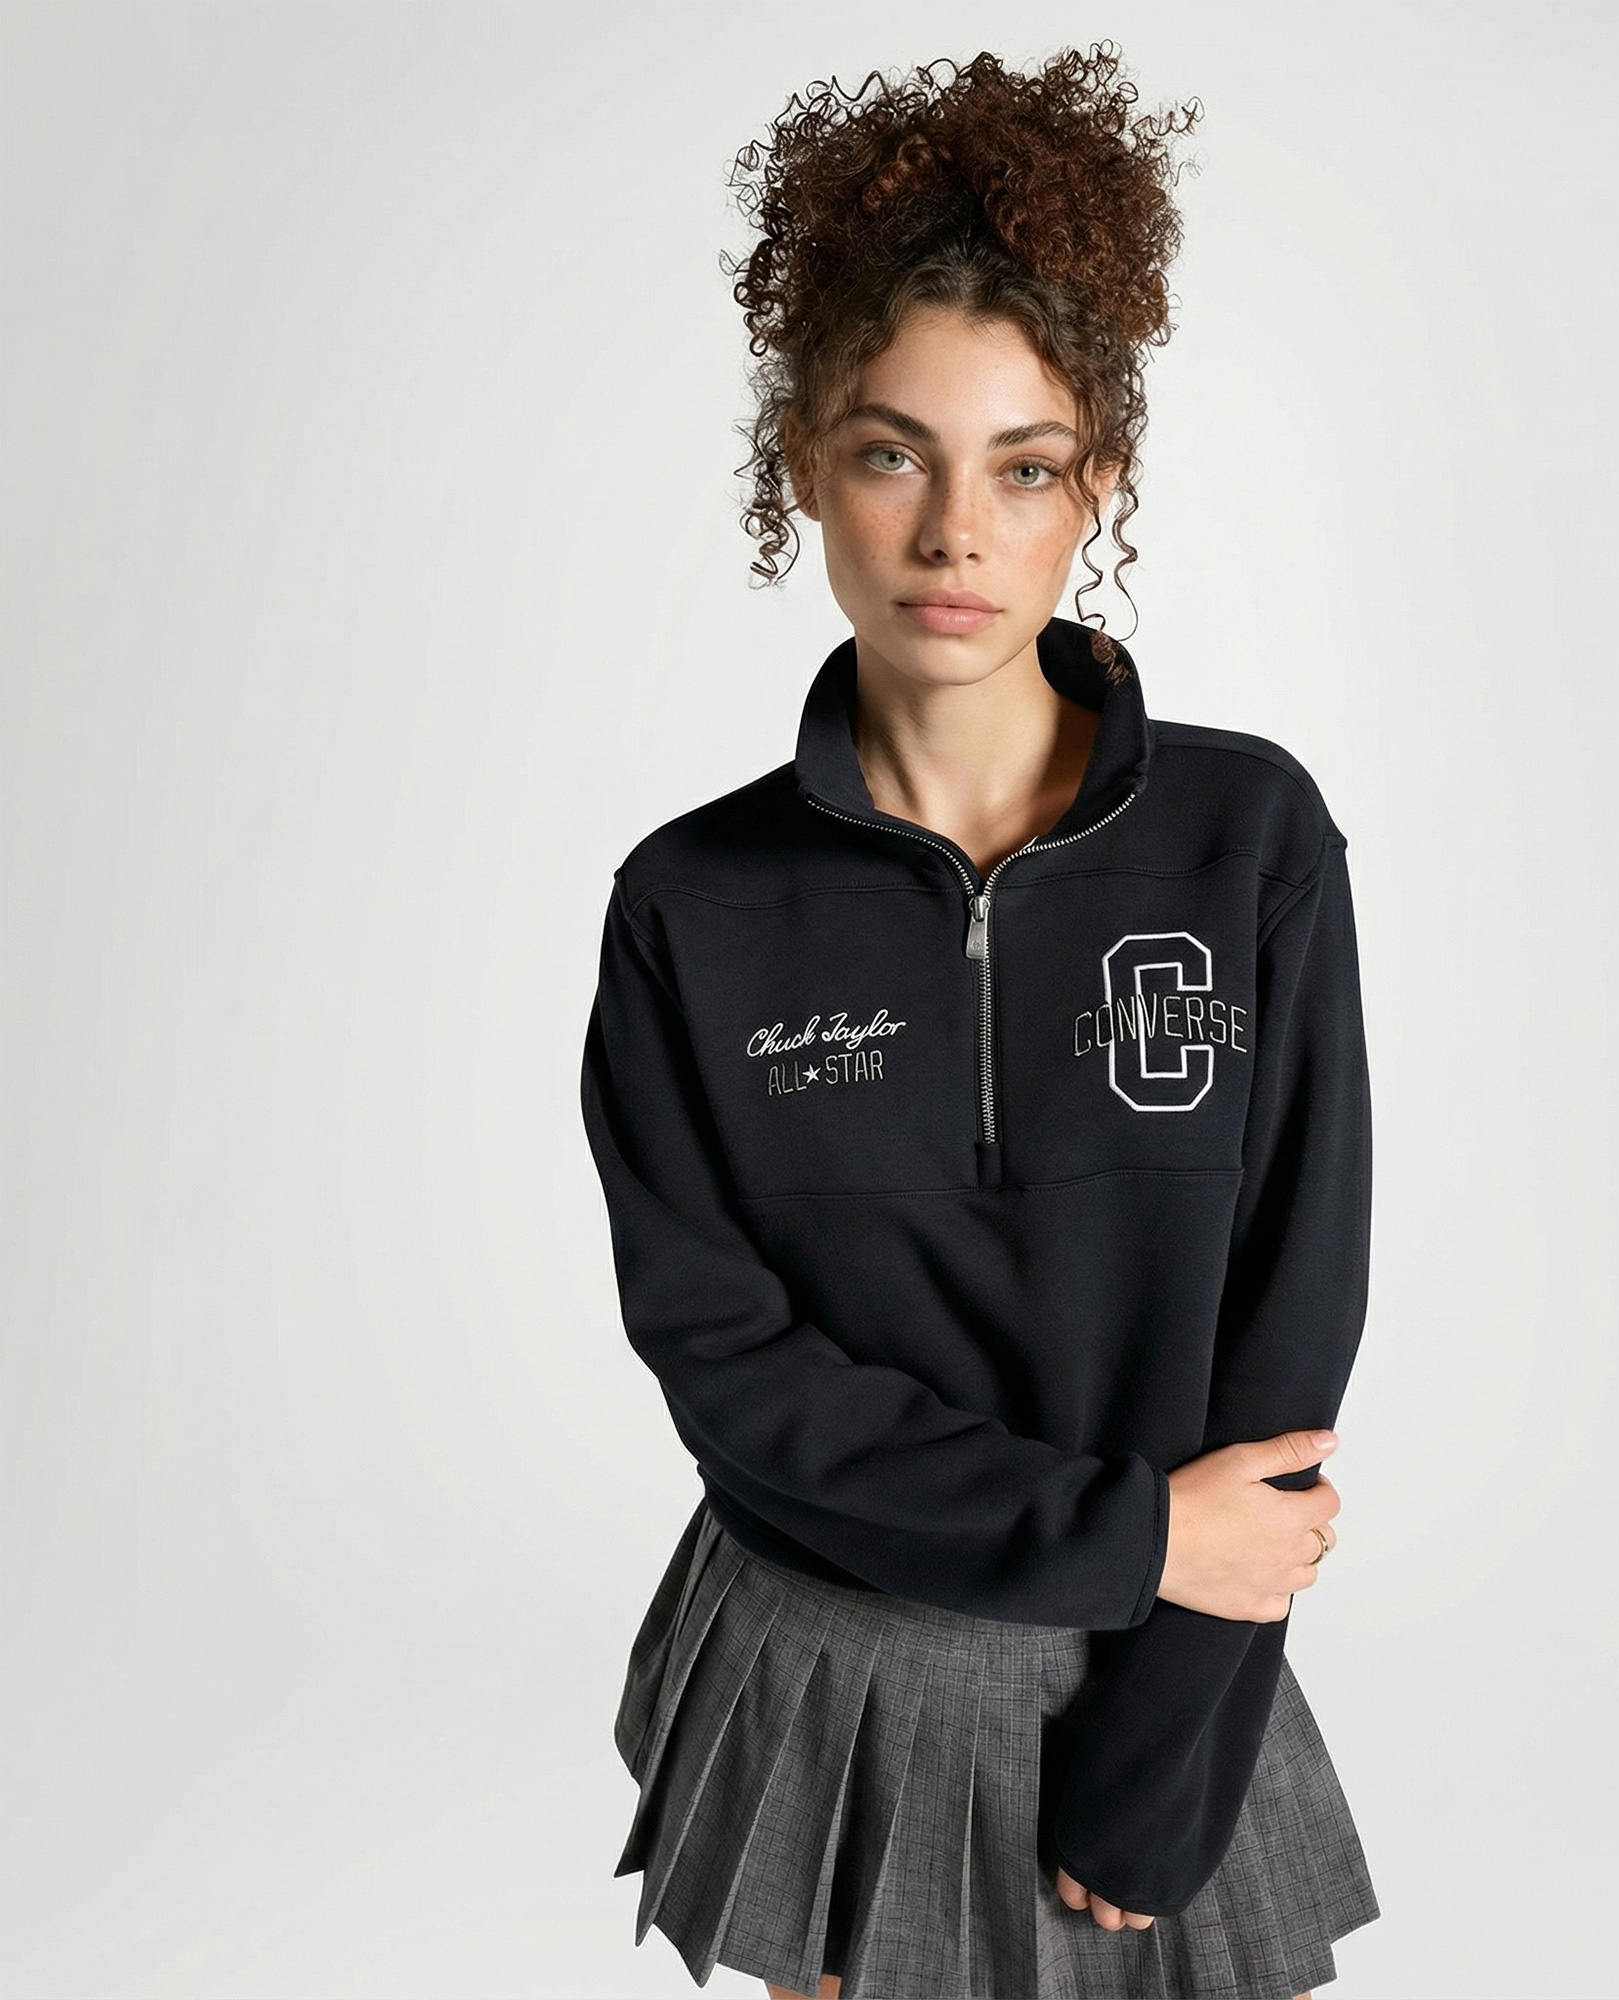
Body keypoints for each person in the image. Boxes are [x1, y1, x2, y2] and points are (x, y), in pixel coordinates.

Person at [581, 46, 1379, 2000]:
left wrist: (1168, 1727)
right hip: (838, 1662)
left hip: (1172, 1661)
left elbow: (1291, 1314)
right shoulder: (692, 904)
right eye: (892, 452)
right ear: (802, 462)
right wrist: (1129, 1534)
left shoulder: (1249, 838)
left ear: (1095, 484)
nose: (955, 530)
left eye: (1023, 465)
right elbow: (732, 1374)